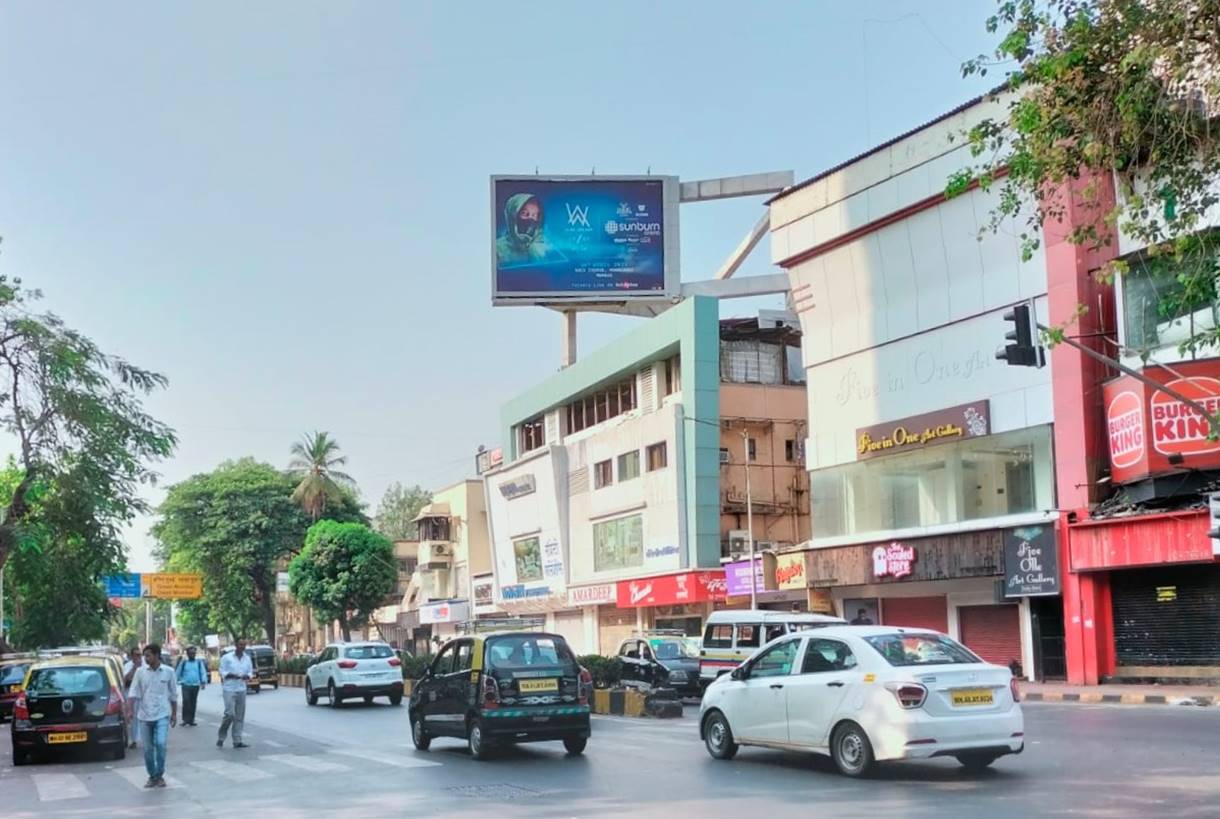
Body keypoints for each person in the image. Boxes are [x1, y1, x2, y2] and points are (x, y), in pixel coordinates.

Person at [127, 643, 178, 788]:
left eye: (148, 655)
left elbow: (174, 695)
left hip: (162, 714)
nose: (145, 658)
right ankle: (152, 776)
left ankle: (160, 774)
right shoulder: (140, 672)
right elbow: (133, 693)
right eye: (145, 656)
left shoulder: (168, 672)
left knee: (161, 744)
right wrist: (130, 710)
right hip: (144, 716)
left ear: (156, 655)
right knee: (148, 749)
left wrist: (174, 714)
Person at [217, 639, 253, 749]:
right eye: (240, 644)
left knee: (239, 716)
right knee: (229, 714)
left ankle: (237, 740)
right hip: (229, 688)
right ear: (236, 645)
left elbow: (250, 672)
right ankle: (221, 736)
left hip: (241, 688)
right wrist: (231, 675)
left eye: (244, 645)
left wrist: (248, 676)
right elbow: (221, 671)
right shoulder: (227, 658)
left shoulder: (247, 658)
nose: (242, 646)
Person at [495, 193, 549, 266]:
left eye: (535, 215)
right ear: (513, 216)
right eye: (524, 213)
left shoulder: (540, 250)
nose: (531, 219)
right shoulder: (497, 249)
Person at [175, 646, 207, 726]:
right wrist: (175, 682)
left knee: (193, 702)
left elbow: (203, 672)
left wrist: (203, 682)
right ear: (188, 654)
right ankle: (185, 720)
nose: (192, 654)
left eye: (194, 653)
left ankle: (191, 720)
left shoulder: (199, 663)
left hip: (195, 685)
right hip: (186, 685)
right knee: (186, 702)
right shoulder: (184, 663)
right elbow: (178, 672)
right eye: (191, 653)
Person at [122, 647, 143, 750]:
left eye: (140, 655)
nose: (139, 657)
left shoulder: (146, 665)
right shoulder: (127, 666)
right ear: (131, 656)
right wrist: (134, 668)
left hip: (144, 694)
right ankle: (134, 740)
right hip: (131, 694)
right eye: (136, 655)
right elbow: (124, 680)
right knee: (133, 718)